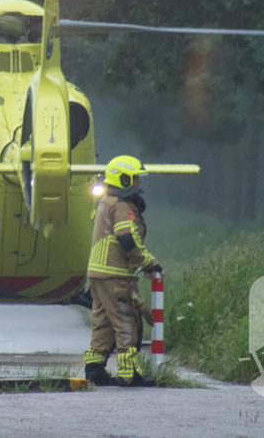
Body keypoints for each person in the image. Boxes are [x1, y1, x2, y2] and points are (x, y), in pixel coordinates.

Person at [84, 155, 162, 387]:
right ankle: (130, 374)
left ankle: (95, 369)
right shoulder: (122, 205)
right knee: (127, 322)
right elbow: (127, 239)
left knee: (104, 323)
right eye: (135, 178)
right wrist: (150, 264)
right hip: (114, 273)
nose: (138, 182)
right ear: (124, 179)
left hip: (98, 274)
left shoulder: (106, 201)